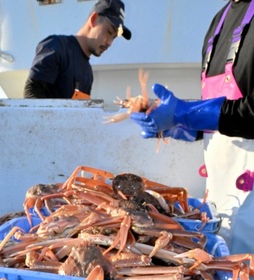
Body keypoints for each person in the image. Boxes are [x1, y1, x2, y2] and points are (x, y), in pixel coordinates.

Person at [130, 0, 254, 257]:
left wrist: (185, 113)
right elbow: (220, 120)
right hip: (220, 201)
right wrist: (176, 124)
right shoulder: (218, 22)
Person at [23, 0, 131, 100]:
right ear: (93, 19)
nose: (110, 43)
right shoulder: (57, 46)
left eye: (114, 37)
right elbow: (31, 93)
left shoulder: (88, 73)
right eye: (109, 32)